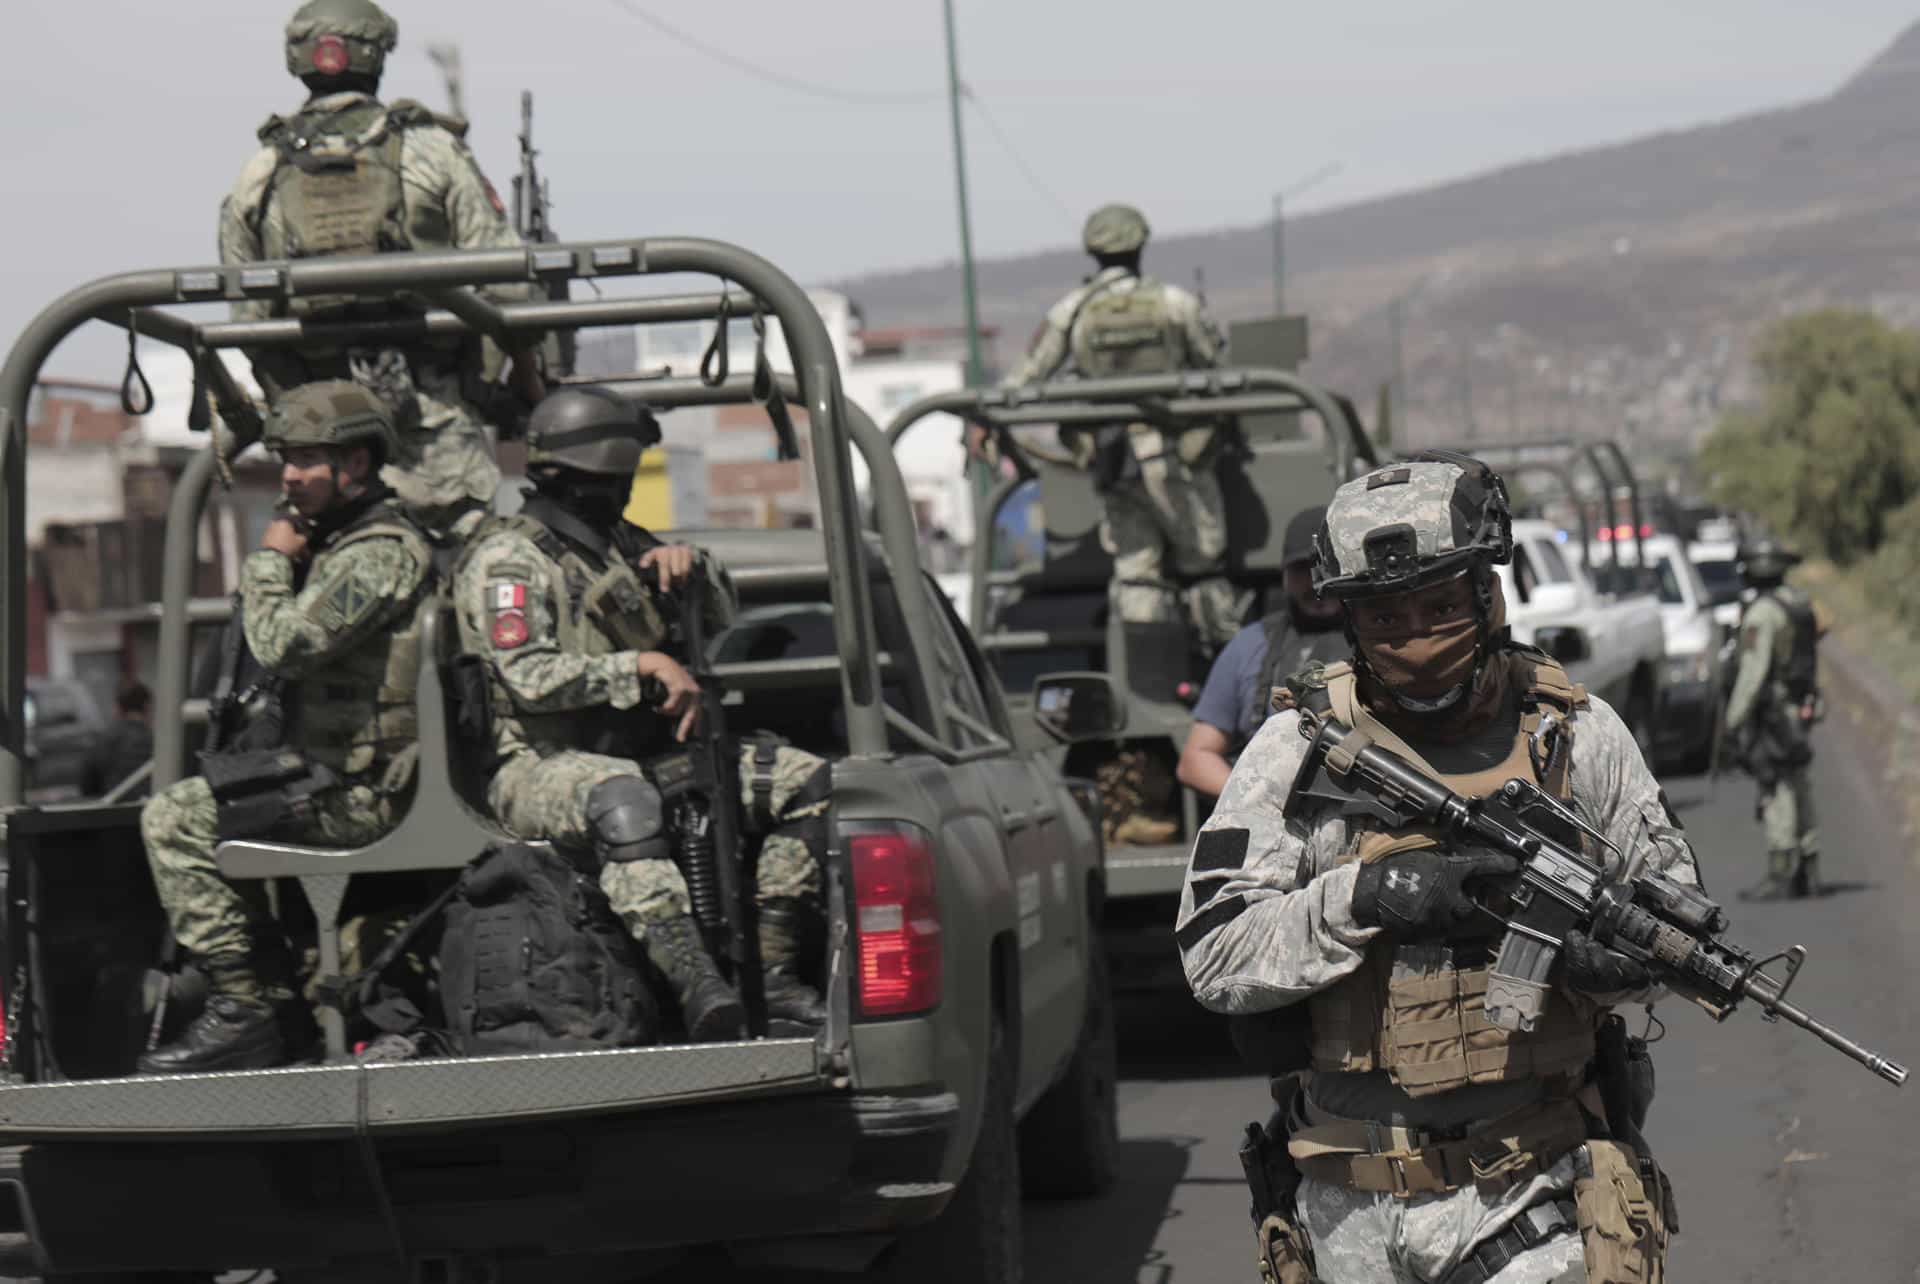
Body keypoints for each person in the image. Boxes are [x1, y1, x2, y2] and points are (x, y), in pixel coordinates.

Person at [1179, 452, 1689, 1284]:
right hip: (1348, 1209)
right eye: (1385, 616)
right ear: (1348, 621)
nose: (1415, 635)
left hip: (1535, 1194)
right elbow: (1215, 956)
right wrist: (1368, 895)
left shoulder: (1577, 736)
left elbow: (1672, 912)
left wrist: (1614, 964)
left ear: (1489, 595)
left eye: (1441, 605)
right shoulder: (1295, 752)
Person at [452, 387, 832, 1041]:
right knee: (623, 800)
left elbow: (722, 614)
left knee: (805, 783)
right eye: (616, 480)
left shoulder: (618, 543)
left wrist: (689, 570)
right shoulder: (509, 562)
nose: (622, 493)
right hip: (536, 768)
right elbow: (529, 678)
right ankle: (697, 985)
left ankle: (772, 978)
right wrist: (639, 668)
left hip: (637, 752)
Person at [139, 382, 434, 1073]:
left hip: (364, 790)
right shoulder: (346, 544)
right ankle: (272, 1000)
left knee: (173, 820)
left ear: (357, 464)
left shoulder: (380, 552)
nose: (290, 478)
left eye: (306, 461)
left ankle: (249, 1007)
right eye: (286, 461)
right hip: (334, 772)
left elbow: (283, 644)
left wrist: (269, 559)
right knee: (201, 798)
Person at [217, 0, 545, 539]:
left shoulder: (259, 173)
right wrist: (517, 391)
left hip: (324, 463)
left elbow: (249, 321)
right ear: (377, 55)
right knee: (476, 577)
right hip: (436, 442)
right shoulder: (433, 151)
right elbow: (511, 291)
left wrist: (294, 409)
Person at [1005, 202, 1239, 655]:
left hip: (1112, 457)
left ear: (1093, 250)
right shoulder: (1175, 304)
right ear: (1141, 245)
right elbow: (1218, 371)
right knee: (1203, 565)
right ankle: (1224, 666)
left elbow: (1025, 378)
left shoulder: (1072, 310)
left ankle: (1147, 674)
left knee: (1136, 569)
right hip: (1177, 459)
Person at [1177, 505, 1346, 798]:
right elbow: (1195, 759)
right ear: (1283, 577)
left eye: (1326, 567)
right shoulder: (1250, 644)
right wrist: (1258, 803)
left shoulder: (1385, 641)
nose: (1315, 582)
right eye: (1302, 570)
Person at [1724, 538, 1825, 901]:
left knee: (1776, 787)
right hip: (1800, 707)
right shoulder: (1799, 602)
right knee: (1799, 782)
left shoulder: (1762, 613)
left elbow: (1753, 674)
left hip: (1774, 714)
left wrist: (1733, 722)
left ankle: (1782, 871)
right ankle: (1809, 866)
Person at [81, 680, 154, 799]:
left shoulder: (101, 742)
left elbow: (88, 787)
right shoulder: (159, 744)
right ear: (147, 707)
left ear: (117, 708)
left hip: (112, 812)